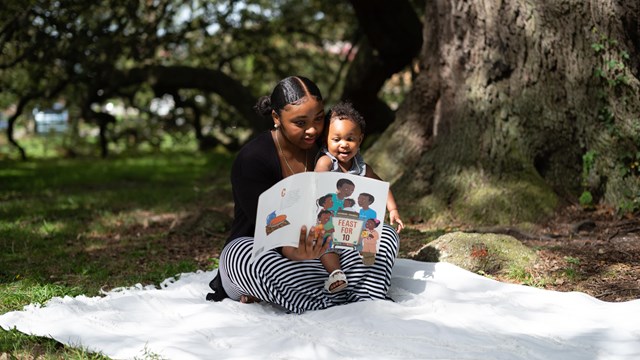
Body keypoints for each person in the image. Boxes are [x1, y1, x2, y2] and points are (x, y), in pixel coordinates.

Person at [207, 76, 400, 314]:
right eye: (300, 123)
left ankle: (349, 294)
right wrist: (293, 251)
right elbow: (263, 225)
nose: (313, 130)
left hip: (327, 255)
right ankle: (335, 302)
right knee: (238, 255)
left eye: (319, 119)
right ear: (276, 118)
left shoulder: (330, 144)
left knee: (385, 236)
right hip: (272, 254)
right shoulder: (252, 159)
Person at [314, 101, 405, 276]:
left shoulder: (362, 167)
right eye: (336, 139)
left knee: (371, 233)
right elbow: (317, 184)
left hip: (353, 222)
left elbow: (381, 187)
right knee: (326, 245)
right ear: (326, 139)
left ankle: (368, 264)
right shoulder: (325, 162)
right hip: (330, 221)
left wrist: (393, 209)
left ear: (360, 139)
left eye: (350, 139)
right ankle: (336, 274)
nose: (344, 144)